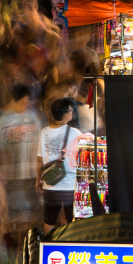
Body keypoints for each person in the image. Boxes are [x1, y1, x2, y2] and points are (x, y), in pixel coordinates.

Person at [0, 83, 42, 228]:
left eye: (28, 102)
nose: (25, 105)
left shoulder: (35, 115)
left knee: (31, 217)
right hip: (10, 177)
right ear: (13, 100)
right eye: (22, 102)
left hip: (31, 176)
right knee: (11, 218)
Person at [36, 96, 82, 233]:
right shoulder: (75, 133)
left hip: (50, 182)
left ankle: (48, 246)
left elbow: (39, 160)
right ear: (64, 115)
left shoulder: (44, 132)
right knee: (70, 218)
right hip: (69, 183)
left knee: (49, 218)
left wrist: (38, 180)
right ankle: (70, 247)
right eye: (70, 110)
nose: (72, 112)